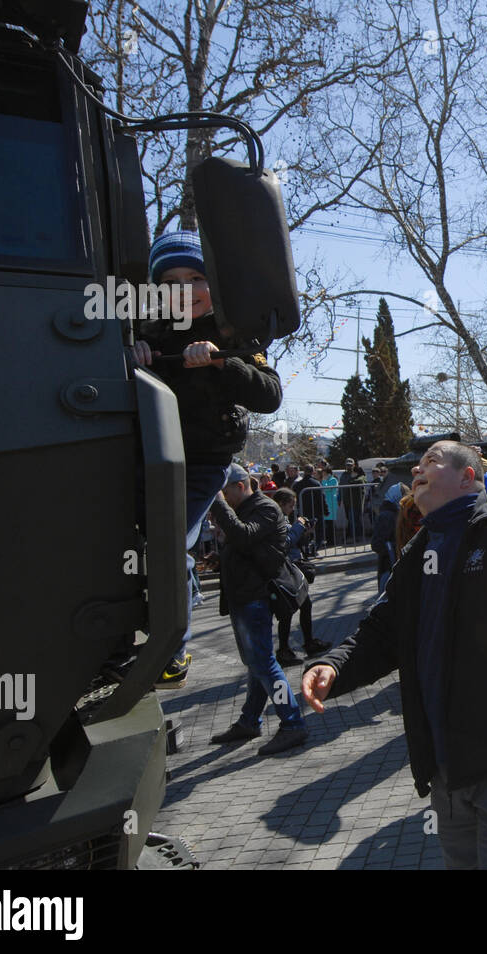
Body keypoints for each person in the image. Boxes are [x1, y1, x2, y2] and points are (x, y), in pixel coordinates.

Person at [301, 440, 487, 869]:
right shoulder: (420, 549)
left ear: (467, 476)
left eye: (431, 462)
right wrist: (332, 665)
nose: (417, 471)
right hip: (446, 767)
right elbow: (384, 630)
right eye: (416, 465)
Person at [119, 230, 282, 689]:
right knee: (140, 546)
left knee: (169, 543)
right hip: (149, 453)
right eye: (171, 280)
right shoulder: (142, 330)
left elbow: (269, 394)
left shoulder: (233, 331)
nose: (185, 289)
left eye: (196, 277)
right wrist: (134, 360)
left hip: (203, 462)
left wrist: (219, 362)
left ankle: (171, 651)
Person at [207, 465, 309, 756]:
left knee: (263, 663)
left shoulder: (265, 508)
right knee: (257, 664)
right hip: (244, 596)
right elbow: (243, 546)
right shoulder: (250, 508)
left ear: (240, 487)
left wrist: (218, 503)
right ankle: (250, 720)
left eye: (226, 493)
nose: (224, 499)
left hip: (254, 598)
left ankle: (292, 722)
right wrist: (222, 558)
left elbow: (243, 537)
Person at [268, 488, 330, 665]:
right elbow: (285, 543)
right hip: (284, 570)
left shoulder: (282, 518)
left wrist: (305, 532)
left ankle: (305, 643)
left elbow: (293, 541)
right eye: (290, 505)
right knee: (288, 609)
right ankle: (285, 649)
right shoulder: (275, 518)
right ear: (281, 504)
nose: (292, 509)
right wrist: (298, 527)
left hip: (289, 567)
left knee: (303, 604)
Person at [291, 465, 326, 552]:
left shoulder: (297, 485)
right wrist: (325, 510)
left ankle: (305, 548)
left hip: (302, 513)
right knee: (318, 530)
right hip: (316, 513)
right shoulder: (316, 483)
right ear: (313, 471)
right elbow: (321, 499)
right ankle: (315, 548)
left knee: (303, 530)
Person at [318, 465, 339, 547]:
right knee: (327, 524)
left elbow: (326, 488)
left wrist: (323, 480)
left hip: (331, 504)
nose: (323, 475)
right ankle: (328, 540)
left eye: (324, 473)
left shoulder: (333, 480)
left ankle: (332, 541)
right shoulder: (326, 480)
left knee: (330, 524)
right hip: (327, 504)